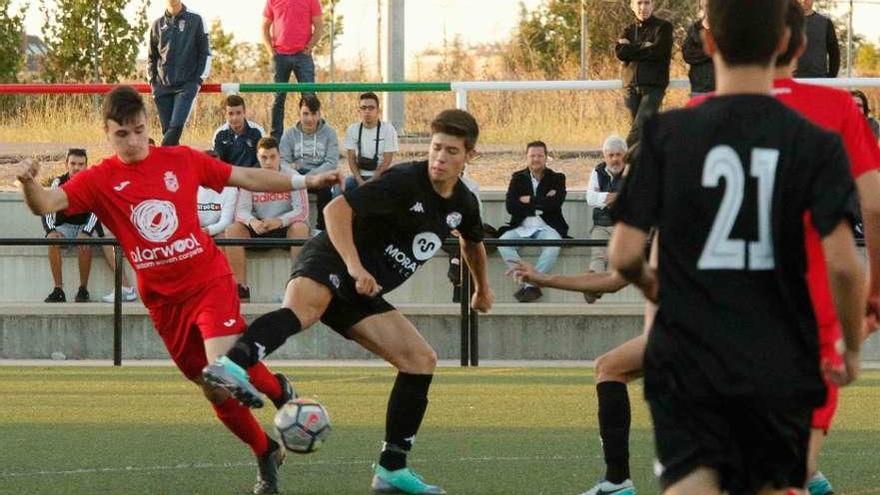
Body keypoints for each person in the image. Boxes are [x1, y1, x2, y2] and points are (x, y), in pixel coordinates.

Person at [15, 86, 340, 495]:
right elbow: (45, 203)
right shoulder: (98, 179)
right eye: (122, 134)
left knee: (220, 364)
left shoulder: (182, 160)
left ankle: (273, 390)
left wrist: (304, 179)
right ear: (106, 132)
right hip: (163, 302)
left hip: (207, 279)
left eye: (139, 130)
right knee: (213, 387)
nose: (133, 142)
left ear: (149, 125)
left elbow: (246, 176)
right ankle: (265, 449)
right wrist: (28, 182)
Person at [610, 0, 865, 493]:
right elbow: (846, 267)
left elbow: (623, 256)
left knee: (692, 482)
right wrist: (850, 348)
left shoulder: (665, 134)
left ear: (707, 44)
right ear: (789, 44)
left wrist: (653, 285)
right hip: (780, 354)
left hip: (690, 353)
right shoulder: (814, 142)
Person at [202, 109, 494, 495]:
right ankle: (232, 365)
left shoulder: (463, 203)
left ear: (468, 156)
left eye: (451, 151)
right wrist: (355, 266)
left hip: (362, 289)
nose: (440, 158)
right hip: (332, 258)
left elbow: (471, 242)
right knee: (303, 311)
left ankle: (391, 470)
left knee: (420, 360)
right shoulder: (406, 180)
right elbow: (336, 210)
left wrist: (482, 289)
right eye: (436, 147)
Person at [225, 137, 310, 302]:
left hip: (285, 228)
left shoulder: (293, 177)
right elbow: (241, 211)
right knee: (233, 230)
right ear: (258, 157)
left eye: (272, 157)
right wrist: (252, 222)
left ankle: (296, 287)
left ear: (280, 156)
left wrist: (280, 221)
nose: (269, 162)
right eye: (264, 157)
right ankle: (241, 289)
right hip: (260, 227)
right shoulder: (249, 177)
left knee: (300, 228)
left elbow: (302, 211)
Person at [497, 141, 568, 303]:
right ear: (527, 157)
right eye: (532, 156)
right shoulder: (517, 178)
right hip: (521, 226)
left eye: (539, 156)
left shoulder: (557, 178)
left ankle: (532, 283)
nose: (536, 159)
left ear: (546, 157)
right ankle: (531, 282)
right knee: (502, 242)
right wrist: (542, 201)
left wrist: (528, 200)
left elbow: (555, 204)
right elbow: (511, 206)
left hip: (547, 226)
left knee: (553, 244)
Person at [41, 148, 105, 303]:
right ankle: (58, 289)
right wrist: (50, 230)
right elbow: (47, 206)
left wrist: (87, 231)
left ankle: (83, 290)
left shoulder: (92, 182)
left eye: (81, 164)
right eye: (73, 163)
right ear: (66, 164)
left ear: (86, 165)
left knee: (85, 243)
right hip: (66, 226)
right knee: (52, 242)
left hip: (87, 225)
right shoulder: (58, 182)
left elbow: (97, 210)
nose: (76, 167)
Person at [148, 0, 211, 146]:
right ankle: (172, 168)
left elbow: (205, 54)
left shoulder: (196, 20)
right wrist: (153, 83)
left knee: (175, 127)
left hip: (186, 87)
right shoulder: (157, 24)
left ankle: (157, 160)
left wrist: (196, 81)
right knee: (168, 132)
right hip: (162, 88)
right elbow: (151, 57)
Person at [615, 0, 673, 146]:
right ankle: (640, 165)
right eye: (639, 3)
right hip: (630, 86)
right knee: (641, 132)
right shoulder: (627, 30)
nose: (643, 7)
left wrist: (631, 49)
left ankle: (620, 158)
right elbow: (620, 53)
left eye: (647, 3)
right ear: (632, 6)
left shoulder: (664, 27)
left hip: (653, 86)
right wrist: (644, 46)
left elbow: (659, 52)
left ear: (652, 5)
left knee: (640, 126)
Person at [263, 0, 323, 140]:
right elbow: (264, 26)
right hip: (280, 56)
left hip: (302, 56)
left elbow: (319, 26)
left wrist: (309, 47)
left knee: (309, 97)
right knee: (278, 98)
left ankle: (313, 136)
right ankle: (275, 140)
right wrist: (271, 51)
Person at [279, 95, 339, 232]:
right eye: (305, 114)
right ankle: (288, 227)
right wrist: (297, 174)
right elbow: (283, 161)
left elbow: (331, 162)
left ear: (319, 114)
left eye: (314, 114)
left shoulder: (330, 133)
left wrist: (312, 177)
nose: (310, 119)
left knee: (326, 187)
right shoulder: (289, 134)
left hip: (319, 175)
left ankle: (321, 229)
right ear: (299, 113)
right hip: (296, 175)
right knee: (284, 185)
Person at [583, 135, 627, 303]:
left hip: (623, 225)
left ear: (625, 155)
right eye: (611, 155)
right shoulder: (598, 171)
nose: (615, 159)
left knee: (615, 259)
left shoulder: (633, 170)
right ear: (605, 156)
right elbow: (590, 198)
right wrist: (615, 197)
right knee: (598, 256)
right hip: (601, 224)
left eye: (618, 154)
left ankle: (594, 288)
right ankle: (594, 287)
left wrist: (605, 199)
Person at [343, 92, 400, 192]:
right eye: (363, 108)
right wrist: (359, 180)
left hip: (381, 177)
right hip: (359, 177)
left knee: (395, 188)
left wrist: (372, 180)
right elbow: (351, 159)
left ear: (378, 110)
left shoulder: (388, 129)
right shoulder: (352, 129)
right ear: (359, 111)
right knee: (341, 187)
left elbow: (387, 160)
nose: (367, 111)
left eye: (371, 108)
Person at [213, 95, 265, 168]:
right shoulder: (220, 134)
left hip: (252, 176)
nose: (235, 118)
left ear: (244, 112)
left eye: (238, 113)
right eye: (231, 114)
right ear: (225, 114)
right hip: (229, 176)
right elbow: (217, 161)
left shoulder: (257, 131)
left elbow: (262, 160)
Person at [794, 0, 839, 78]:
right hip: (793, 80)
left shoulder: (825, 23)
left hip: (819, 79)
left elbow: (834, 53)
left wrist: (831, 78)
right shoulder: (784, 22)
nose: (804, 0)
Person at [198, 151, 237, 238]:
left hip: (217, 231)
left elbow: (226, 221)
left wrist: (207, 231)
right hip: (195, 232)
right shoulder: (188, 185)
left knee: (222, 238)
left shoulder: (230, 188)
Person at [682, 0, 715, 96]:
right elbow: (688, 55)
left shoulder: (724, 29)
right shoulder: (694, 29)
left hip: (721, 88)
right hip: (698, 88)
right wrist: (712, 51)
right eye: (705, 5)